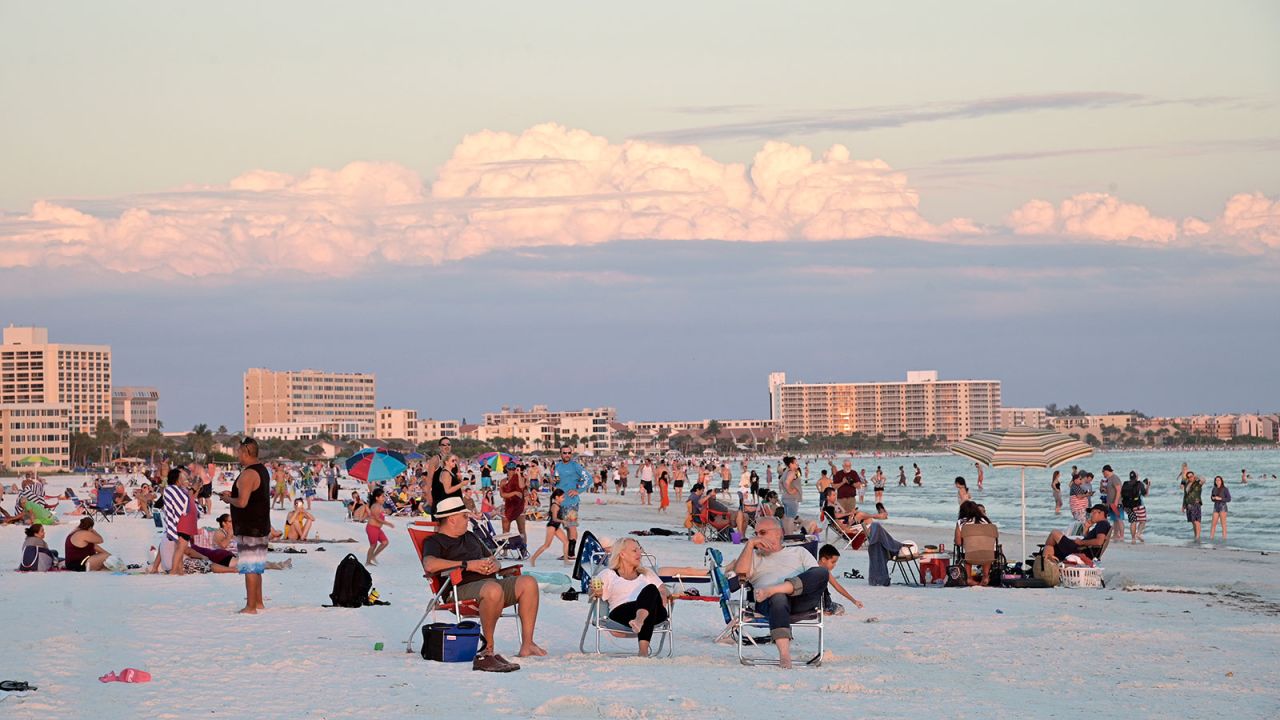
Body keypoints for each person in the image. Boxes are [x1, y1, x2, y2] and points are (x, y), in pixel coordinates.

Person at [420, 496, 545, 672]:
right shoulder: (434, 541)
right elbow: (430, 564)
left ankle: (528, 644)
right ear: (452, 519)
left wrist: (495, 565)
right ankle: (488, 650)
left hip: (490, 582)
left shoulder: (471, 536)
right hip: (459, 589)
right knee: (493, 589)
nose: (468, 519)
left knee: (528, 582)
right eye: (465, 516)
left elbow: (493, 558)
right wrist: (467, 565)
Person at [732, 517, 826, 668]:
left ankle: (775, 589)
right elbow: (740, 573)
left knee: (821, 572)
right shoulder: (753, 556)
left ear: (779, 533)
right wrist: (750, 545)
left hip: (800, 601)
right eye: (755, 533)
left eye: (762, 532)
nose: (757, 537)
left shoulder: (799, 552)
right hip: (768, 603)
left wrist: (774, 589)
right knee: (779, 598)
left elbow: (815, 577)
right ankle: (784, 655)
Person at [590, 537, 671, 656]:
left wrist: (663, 595)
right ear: (622, 554)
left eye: (640, 550)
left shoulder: (647, 573)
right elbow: (593, 592)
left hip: (655, 613)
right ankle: (643, 651)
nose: (640, 554)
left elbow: (663, 589)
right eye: (635, 551)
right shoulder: (608, 574)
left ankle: (639, 621)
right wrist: (595, 591)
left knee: (651, 589)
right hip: (622, 613)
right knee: (649, 605)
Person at [219, 437, 271, 614]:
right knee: (257, 566)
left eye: (239, 452)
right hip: (261, 524)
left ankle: (250, 607)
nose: (237, 455)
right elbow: (251, 495)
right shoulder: (262, 470)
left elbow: (241, 502)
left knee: (249, 566)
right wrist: (232, 493)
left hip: (250, 526)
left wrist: (227, 499)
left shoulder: (248, 473)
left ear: (246, 452)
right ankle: (258, 602)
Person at [554, 445, 591, 559]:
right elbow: (556, 482)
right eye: (564, 453)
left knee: (572, 526)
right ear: (560, 454)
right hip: (560, 502)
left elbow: (588, 478)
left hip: (572, 502)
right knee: (564, 527)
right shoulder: (557, 466)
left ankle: (571, 553)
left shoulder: (575, 466)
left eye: (569, 453)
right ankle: (568, 552)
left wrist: (577, 490)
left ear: (571, 454)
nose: (567, 455)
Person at [161, 466, 199, 576]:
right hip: (183, 522)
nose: (183, 478)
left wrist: (194, 489)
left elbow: (189, 499)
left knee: (180, 548)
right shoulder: (173, 489)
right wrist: (192, 489)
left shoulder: (180, 489)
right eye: (181, 476)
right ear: (177, 479)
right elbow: (181, 502)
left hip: (186, 522)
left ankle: (180, 570)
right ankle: (173, 571)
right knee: (181, 547)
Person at [1041, 504, 1111, 564]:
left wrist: (1081, 542)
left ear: (1101, 513)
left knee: (1054, 533)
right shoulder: (1104, 524)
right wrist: (1086, 528)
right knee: (1055, 543)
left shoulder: (1102, 524)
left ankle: (1045, 561)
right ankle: (1048, 559)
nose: (1091, 515)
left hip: (1080, 550)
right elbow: (1091, 541)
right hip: (1084, 550)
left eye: (1093, 512)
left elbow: (1099, 541)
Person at [954, 501, 996, 585]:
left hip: (970, 556)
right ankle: (985, 576)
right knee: (986, 549)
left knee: (966, 552)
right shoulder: (985, 520)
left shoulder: (961, 522)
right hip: (989, 555)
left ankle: (969, 578)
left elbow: (958, 542)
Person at [815, 544, 864, 612]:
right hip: (816, 602)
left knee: (840, 608)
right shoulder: (818, 571)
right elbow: (836, 586)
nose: (835, 565)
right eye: (833, 562)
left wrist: (854, 601)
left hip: (818, 601)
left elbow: (837, 586)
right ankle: (824, 612)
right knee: (839, 609)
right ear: (823, 559)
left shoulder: (823, 570)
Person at [528, 489, 569, 566]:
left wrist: (543, 516)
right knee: (546, 545)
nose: (564, 499)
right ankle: (533, 559)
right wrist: (563, 521)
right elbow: (554, 518)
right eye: (562, 497)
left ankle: (566, 560)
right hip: (552, 527)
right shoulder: (555, 506)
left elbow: (549, 513)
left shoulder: (556, 505)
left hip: (556, 527)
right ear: (557, 497)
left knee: (566, 542)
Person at [365, 487, 393, 565]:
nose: (384, 498)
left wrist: (387, 511)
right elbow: (377, 518)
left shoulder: (380, 506)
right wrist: (388, 523)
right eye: (382, 496)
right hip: (372, 528)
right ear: (377, 498)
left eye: (384, 496)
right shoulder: (375, 506)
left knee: (385, 542)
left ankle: (373, 556)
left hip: (377, 529)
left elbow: (382, 512)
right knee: (373, 545)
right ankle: (368, 561)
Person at [500, 462, 527, 542]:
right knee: (505, 531)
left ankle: (524, 549)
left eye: (513, 469)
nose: (512, 470)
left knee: (522, 530)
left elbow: (522, 487)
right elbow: (502, 495)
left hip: (519, 506)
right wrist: (514, 493)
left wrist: (518, 474)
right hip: (508, 507)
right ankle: (505, 550)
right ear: (506, 469)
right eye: (510, 469)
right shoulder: (503, 481)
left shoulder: (520, 478)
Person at [1120, 471, 1150, 543]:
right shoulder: (1139, 484)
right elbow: (1145, 494)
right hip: (1138, 505)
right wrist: (1148, 486)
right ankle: (1138, 534)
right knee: (1143, 521)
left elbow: (1121, 495)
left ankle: (1133, 539)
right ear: (1136, 477)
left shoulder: (1125, 483)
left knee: (1133, 521)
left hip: (1127, 506)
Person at [1100, 465, 1125, 539]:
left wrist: (1116, 502)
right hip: (1111, 503)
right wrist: (1103, 488)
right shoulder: (1109, 479)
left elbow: (1119, 490)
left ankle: (1122, 536)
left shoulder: (1114, 478)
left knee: (1119, 519)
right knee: (1115, 520)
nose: (1102, 474)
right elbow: (1110, 491)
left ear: (1106, 471)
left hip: (1116, 503)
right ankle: (1115, 535)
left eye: (1103, 472)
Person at [779, 456, 803, 531]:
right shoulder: (792, 472)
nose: (797, 464)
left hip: (786, 498)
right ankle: (789, 536)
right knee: (791, 519)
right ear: (791, 464)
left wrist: (785, 490)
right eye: (796, 463)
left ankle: (785, 533)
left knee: (787, 518)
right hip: (791, 499)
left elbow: (780, 482)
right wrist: (790, 491)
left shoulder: (786, 471)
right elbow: (786, 483)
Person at [1180, 469, 1204, 542]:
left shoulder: (1198, 483)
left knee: (1197, 521)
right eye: (1189, 477)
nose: (1190, 477)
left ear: (1194, 476)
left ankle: (1198, 536)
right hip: (1188, 505)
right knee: (1193, 521)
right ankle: (1195, 535)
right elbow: (1185, 495)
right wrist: (1183, 505)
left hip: (1196, 503)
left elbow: (1203, 479)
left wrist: (1197, 476)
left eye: (1191, 476)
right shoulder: (1187, 484)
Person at [1209, 476, 1231, 541]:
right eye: (1216, 480)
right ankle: (1211, 539)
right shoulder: (1214, 488)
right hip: (1216, 507)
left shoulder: (1225, 489)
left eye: (1219, 480)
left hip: (1223, 507)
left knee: (1223, 524)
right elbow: (1212, 498)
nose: (1217, 481)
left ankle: (1224, 539)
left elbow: (1229, 499)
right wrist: (1213, 498)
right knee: (1213, 524)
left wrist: (1220, 498)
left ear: (1221, 481)